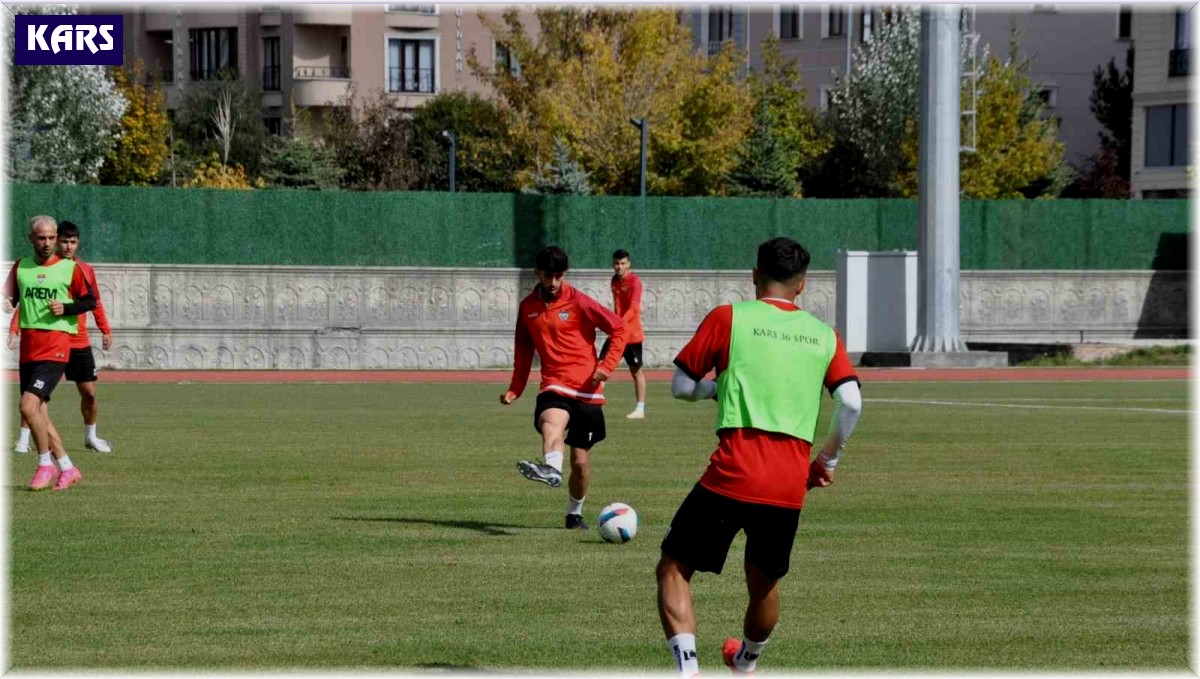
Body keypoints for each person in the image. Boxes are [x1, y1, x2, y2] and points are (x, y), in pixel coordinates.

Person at [655, 237, 863, 676]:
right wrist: (827, 462)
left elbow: (681, 386)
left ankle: (688, 671)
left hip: (732, 473)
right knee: (764, 583)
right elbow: (851, 402)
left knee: (674, 567)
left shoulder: (730, 317)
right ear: (802, 286)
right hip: (787, 484)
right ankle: (746, 662)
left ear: (754, 275)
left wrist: (716, 388)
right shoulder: (825, 336)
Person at [500, 246, 628, 530]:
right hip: (554, 385)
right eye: (548, 275)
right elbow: (523, 349)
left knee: (581, 463)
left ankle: (574, 513)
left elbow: (620, 328)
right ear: (537, 273)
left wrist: (606, 366)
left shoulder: (579, 302)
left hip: (587, 390)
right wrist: (515, 388)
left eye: (559, 276)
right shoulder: (528, 308)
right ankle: (552, 469)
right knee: (551, 422)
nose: (554, 282)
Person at [3, 216, 98, 491]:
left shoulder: (70, 269)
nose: (47, 243)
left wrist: (67, 308)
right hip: (29, 349)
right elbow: (10, 297)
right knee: (40, 412)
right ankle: (68, 468)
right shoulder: (21, 267)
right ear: (30, 238)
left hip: (56, 347)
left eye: (52, 237)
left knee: (27, 407)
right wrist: (8, 304)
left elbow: (90, 300)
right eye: (42, 238)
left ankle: (44, 463)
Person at [11, 220, 113, 454]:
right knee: (35, 396)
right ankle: (24, 439)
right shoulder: (36, 268)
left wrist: (105, 329)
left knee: (89, 392)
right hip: (50, 342)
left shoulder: (82, 270)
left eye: (73, 242)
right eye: (64, 241)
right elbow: (26, 302)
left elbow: (93, 302)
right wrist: (14, 328)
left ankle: (91, 437)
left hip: (78, 341)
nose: (68, 246)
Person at [600, 249, 648, 419]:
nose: (619, 267)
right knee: (601, 364)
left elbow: (634, 308)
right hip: (617, 333)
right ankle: (595, 401)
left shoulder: (635, 282)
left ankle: (640, 409)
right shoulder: (614, 281)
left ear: (629, 264)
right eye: (616, 263)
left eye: (622, 264)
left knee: (636, 371)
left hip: (632, 335)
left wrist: (620, 322)